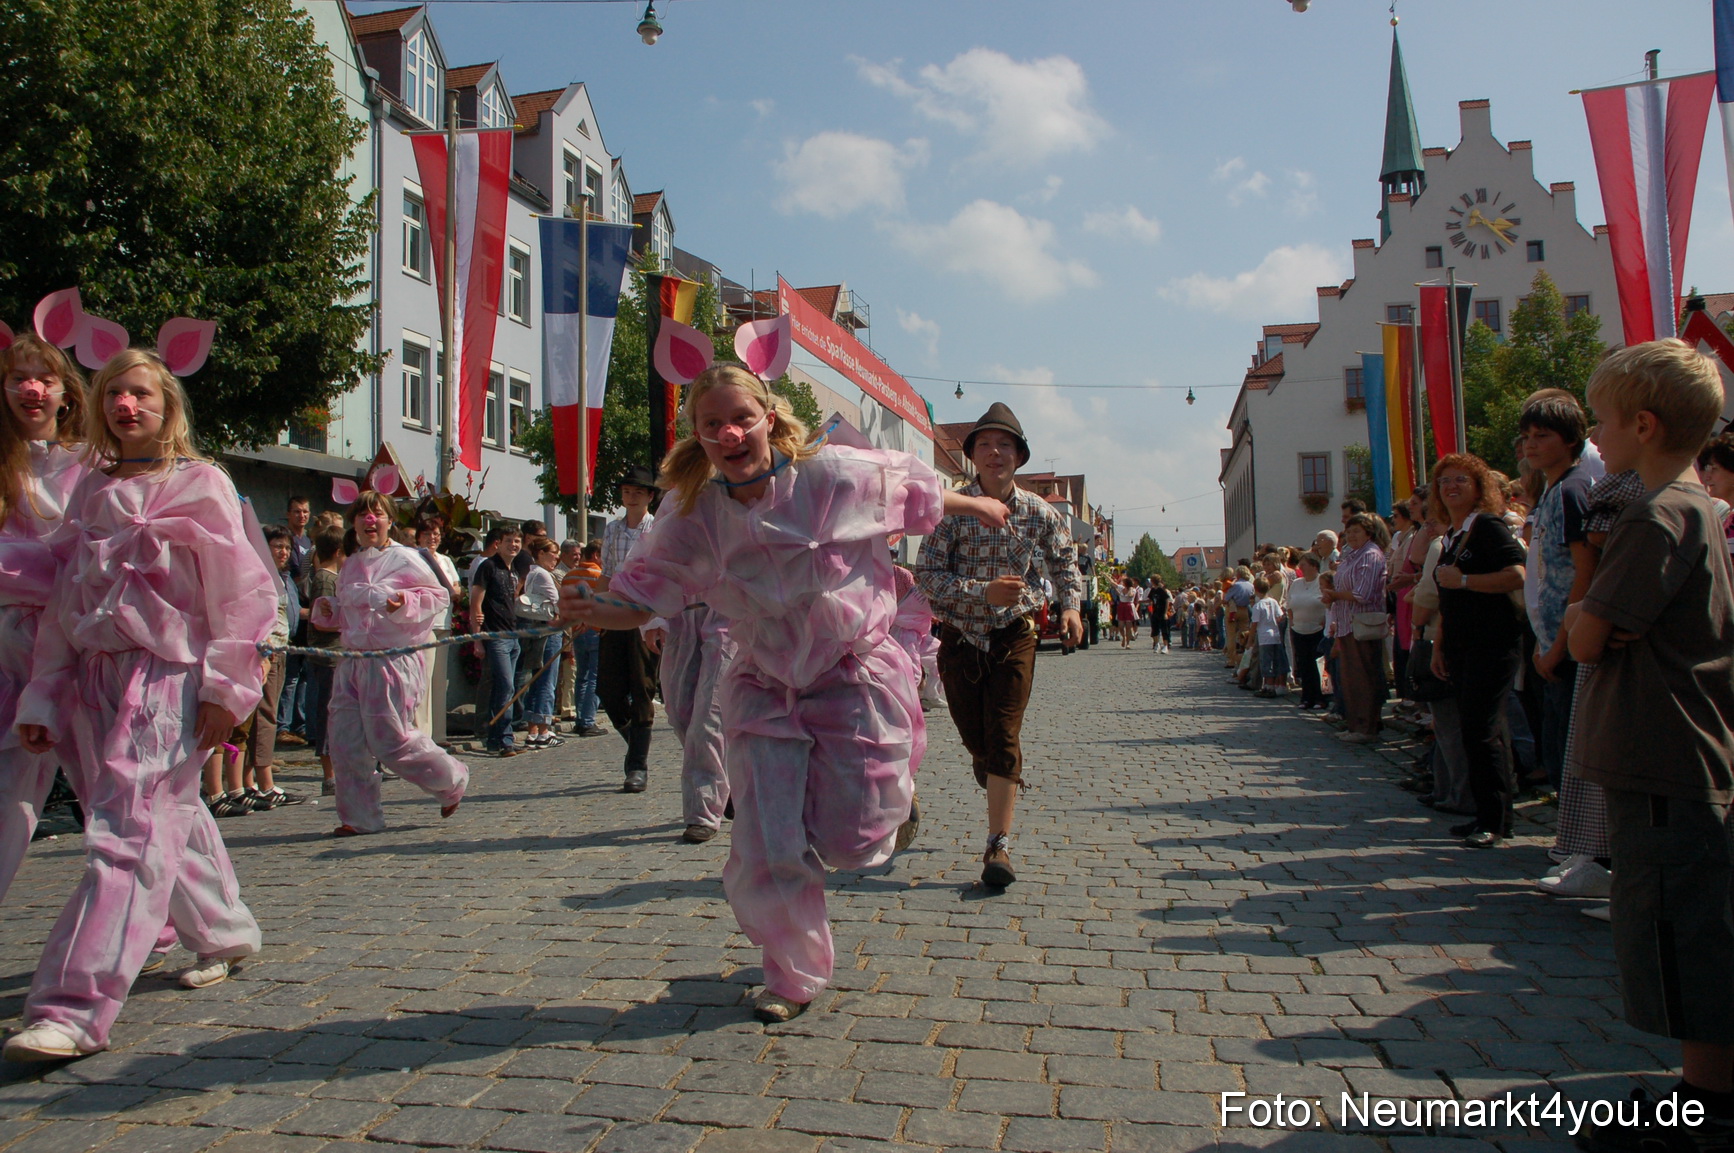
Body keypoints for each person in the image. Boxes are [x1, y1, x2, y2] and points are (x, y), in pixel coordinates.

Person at [562, 363, 1004, 1024]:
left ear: (768, 418)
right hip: (765, 683)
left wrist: (981, 505)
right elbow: (646, 591)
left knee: (854, 841)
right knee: (767, 838)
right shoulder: (693, 512)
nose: (730, 433)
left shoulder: (829, 476)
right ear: (698, 435)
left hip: (851, 672)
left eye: (741, 417)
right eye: (712, 423)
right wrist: (592, 608)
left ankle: (897, 802)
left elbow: (910, 489)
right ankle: (793, 973)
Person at [8, 348, 274, 1061]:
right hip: (96, 681)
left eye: (141, 393)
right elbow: (65, 603)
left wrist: (225, 689)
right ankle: (224, 928)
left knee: (127, 832)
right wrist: (45, 694)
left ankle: (74, 1006)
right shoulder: (92, 492)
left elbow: (240, 594)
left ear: (168, 405)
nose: (127, 405)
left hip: (168, 680)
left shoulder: (203, 482)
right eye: (114, 394)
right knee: (159, 815)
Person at [1566, 339, 1734, 1147]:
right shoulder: (1695, 506)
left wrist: (1583, 616)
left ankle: (1706, 1108)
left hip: (1664, 751)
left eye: (1601, 422)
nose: (1596, 438)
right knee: (1683, 924)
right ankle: (1703, 1091)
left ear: (1644, 423)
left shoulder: (1656, 514)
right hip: (1671, 750)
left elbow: (1588, 635)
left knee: (1680, 935)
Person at [916, 402, 1083, 891]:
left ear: (1019, 456)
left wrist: (1071, 606)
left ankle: (998, 846)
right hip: (960, 638)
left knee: (1005, 735)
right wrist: (980, 592)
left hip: (1015, 634)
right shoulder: (950, 509)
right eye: (985, 445)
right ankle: (986, 761)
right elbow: (927, 575)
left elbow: (1064, 561)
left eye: (1004, 445)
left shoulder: (1038, 512)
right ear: (972, 456)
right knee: (979, 739)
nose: (995, 453)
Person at [311, 491, 470, 836]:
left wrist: (406, 603)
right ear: (354, 523)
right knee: (345, 742)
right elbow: (349, 610)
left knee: (390, 739)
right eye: (363, 515)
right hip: (352, 662)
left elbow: (439, 596)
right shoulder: (351, 564)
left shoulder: (408, 558)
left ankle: (450, 779)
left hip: (392, 661)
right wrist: (330, 609)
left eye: (378, 514)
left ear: (389, 521)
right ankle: (359, 816)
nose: (370, 520)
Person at [0, 333, 87, 904]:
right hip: (9, 655)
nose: (32, 389)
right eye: (18, 378)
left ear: (65, 392)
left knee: (114, 789)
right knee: (7, 794)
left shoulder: (91, 464)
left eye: (44, 378)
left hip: (81, 650)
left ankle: (174, 917)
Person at [1428, 454, 1527, 848]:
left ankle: (1496, 820)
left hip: (1493, 642)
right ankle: (1486, 814)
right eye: (1444, 481)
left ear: (1479, 487)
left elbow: (1516, 574)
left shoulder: (1486, 526)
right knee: (1473, 730)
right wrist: (1440, 644)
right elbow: (1449, 597)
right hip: (1461, 644)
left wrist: (1466, 580)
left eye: (1461, 480)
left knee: (1483, 731)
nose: (1451, 487)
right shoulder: (1454, 533)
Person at [1518, 392, 1594, 796]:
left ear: (1570, 439)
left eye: (1542, 435)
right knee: (1555, 749)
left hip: (1569, 646)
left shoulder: (1572, 491)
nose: (1531, 445)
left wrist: (1559, 645)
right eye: (1527, 436)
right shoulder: (1551, 489)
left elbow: (1585, 572)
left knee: (1569, 754)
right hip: (1550, 640)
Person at [597, 467, 660, 792]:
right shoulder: (612, 529)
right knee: (607, 689)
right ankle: (636, 743)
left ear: (649, 496)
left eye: (637, 491)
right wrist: (595, 609)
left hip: (645, 614)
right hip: (615, 611)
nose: (631, 497)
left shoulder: (658, 528)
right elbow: (606, 573)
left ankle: (637, 765)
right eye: (626, 491)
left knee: (642, 687)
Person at [656, 602, 735, 843]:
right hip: (680, 614)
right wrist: (653, 619)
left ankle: (703, 812)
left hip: (728, 613)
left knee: (708, 718)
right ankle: (728, 783)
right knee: (679, 713)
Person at [1321, 514, 1387, 742]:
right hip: (1346, 624)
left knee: (1363, 678)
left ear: (1368, 532)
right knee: (1350, 679)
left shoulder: (1370, 555)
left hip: (1362, 624)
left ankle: (1366, 727)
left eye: (1357, 531)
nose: (1351, 536)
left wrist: (1335, 595)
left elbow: (1362, 593)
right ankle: (1355, 724)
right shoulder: (1351, 555)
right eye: (1349, 532)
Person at [470, 524, 523, 757]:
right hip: (495, 636)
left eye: (517, 541)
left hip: (513, 636)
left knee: (504, 688)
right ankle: (505, 738)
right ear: (498, 544)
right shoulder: (488, 567)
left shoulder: (513, 571)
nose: (513, 545)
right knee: (505, 686)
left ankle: (495, 739)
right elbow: (476, 603)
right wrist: (477, 638)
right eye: (508, 541)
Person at [304, 522, 345, 796]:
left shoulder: (334, 579)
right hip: (328, 655)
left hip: (338, 654)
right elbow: (321, 621)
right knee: (328, 713)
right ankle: (329, 774)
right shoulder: (325, 580)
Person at [413, 516, 461, 746]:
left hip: (444, 622)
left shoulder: (445, 560)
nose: (432, 538)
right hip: (425, 624)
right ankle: (422, 735)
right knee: (424, 681)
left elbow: (457, 588)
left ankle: (439, 734)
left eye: (436, 534)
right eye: (427, 534)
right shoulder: (415, 558)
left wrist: (453, 590)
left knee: (439, 681)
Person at [516, 537, 563, 749]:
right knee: (546, 680)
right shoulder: (542, 574)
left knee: (537, 678)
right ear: (541, 554)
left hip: (538, 630)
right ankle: (543, 729)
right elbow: (558, 602)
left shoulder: (532, 573)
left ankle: (533, 730)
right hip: (549, 630)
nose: (556, 558)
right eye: (553, 554)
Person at [568, 541, 605, 737]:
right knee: (594, 677)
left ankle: (580, 719)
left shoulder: (569, 576)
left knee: (581, 676)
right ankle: (588, 720)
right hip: (596, 629)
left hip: (576, 629)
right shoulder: (599, 576)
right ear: (596, 555)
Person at [1286, 554, 1327, 709]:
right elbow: (1289, 603)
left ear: (1314, 566)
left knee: (1318, 665)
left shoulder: (1321, 581)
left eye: (1304, 564)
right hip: (1299, 629)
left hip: (1318, 630)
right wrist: (1292, 621)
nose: (1300, 568)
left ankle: (1320, 698)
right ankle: (1306, 697)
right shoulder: (1297, 583)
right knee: (1304, 665)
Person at [1250, 576, 1285, 697]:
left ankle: (1269, 687)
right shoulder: (1273, 601)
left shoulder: (1258, 606)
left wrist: (1250, 640)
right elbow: (1280, 617)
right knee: (1274, 661)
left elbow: (1254, 624)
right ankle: (1269, 686)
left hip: (1264, 637)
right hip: (1275, 635)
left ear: (1256, 589)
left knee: (1266, 662)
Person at [1148, 575, 1173, 653]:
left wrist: (1165, 613)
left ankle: (1165, 646)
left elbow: (1167, 601)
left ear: (1153, 581)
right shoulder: (1153, 590)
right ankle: (1157, 644)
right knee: (1154, 629)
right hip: (1155, 611)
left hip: (1162, 612)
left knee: (1164, 630)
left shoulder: (1161, 590)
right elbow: (1151, 600)